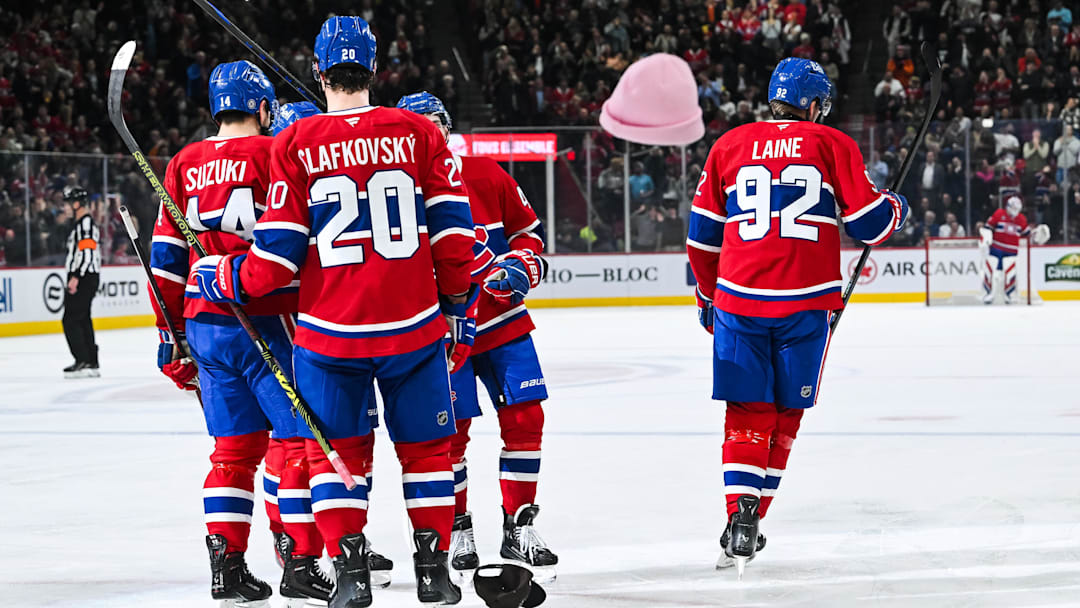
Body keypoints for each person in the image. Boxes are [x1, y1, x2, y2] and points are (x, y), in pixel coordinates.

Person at [192, 17, 475, 607]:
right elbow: (454, 240)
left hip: (329, 334)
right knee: (426, 453)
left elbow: (273, 263)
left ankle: (349, 573)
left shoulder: (295, 144)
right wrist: (455, 308)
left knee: (337, 455)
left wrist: (224, 277)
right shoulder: (421, 133)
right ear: (375, 69)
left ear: (319, 71)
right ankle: (433, 571)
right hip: (414, 327)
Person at [686, 58, 909, 574]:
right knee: (788, 412)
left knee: (746, 411)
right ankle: (753, 519)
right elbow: (870, 224)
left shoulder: (729, 144)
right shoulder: (833, 145)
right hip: (806, 304)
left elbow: (701, 240)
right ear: (813, 104)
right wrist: (897, 205)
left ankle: (738, 513)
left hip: (739, 301)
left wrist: (706, 298)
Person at [150, 61, 338, 606]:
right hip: (270, 318)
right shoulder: (276, 153)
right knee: (299, 442)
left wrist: (171, 336)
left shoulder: (184, 162)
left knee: (231, 452)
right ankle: (300, 559)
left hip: (204, 328)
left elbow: (166, 262)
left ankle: (227, 568)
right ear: (262, 107)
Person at [396, 91, 559, 585]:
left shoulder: (486, 173)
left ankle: (520, 523)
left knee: (527, 417)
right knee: (452, 436)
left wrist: (520, 265)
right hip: (443, 331)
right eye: (422, 129)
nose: (435, 136)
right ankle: (460, 527)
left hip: (504, 323)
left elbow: (529, 233)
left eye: (438, 125)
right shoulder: (400, 192)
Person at [980, 194, 1050, 304]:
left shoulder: (1021, 219)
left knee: (1010, 272)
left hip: (1011, 251)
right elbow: (987, 228)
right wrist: (986, 239)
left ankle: (1009, 294)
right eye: (1013, 208)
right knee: (991, 270)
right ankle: (988, 293)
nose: (1015, 211)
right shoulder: (999, 213)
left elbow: (1027, 234)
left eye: (1017, 209)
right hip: (996, 249)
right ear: (1008, 206)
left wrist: (1036, 234)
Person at [61, 185, 100, 378]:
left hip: (83, 276)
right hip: (85, 276)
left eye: (68, 204)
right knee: (82, 318)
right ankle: (90, 361)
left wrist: (76, 276)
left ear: (77, 204)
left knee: (71, 319)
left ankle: (83, 360)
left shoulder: (85, 224)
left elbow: (87, 252)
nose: (66, 208)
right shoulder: (81, 224)